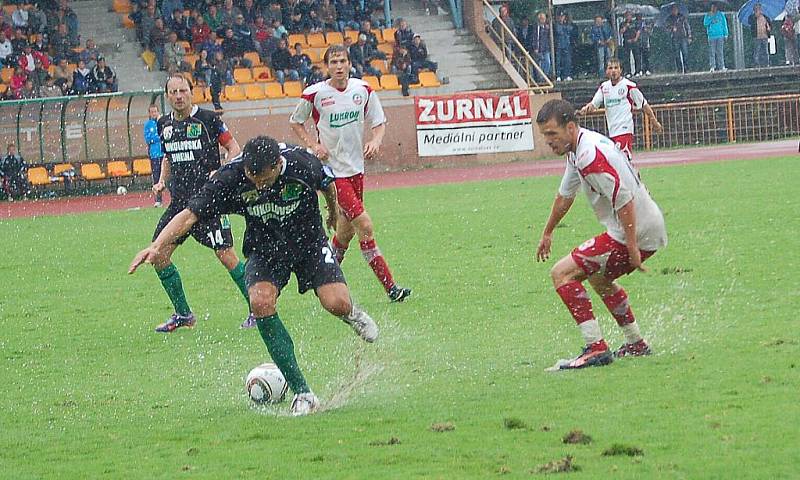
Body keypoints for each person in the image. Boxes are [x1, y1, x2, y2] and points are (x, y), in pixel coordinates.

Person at [129, 136, 380, 416]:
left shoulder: (302, 163)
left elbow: (328, 184)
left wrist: (332, 213)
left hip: (308, 242)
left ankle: (352, 314)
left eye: (265, 179)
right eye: (253, 178)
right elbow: (189, 215)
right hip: (265, 248)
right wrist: (156, 245)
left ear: (278, 165)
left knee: (336, 303)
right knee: (260, 303)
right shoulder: (231, 178)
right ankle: (303, 393)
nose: (259, 185)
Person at [535, 99, 668, 370]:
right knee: (598, 277)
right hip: (644, 225)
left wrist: (631, 247)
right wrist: (547, 232)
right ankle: (635, 343)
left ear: (570, 127)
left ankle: (595, 348)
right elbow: (564, 195)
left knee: (561, 274)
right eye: (544, 135)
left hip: (635, 231)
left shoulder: (588, 157)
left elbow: (625, 200)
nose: (548, 141)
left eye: (551, 134)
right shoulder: (581, 147)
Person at [290, 45, 412, 302]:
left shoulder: (363, 90)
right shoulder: (315, 94)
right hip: (333, 173)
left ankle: (322, 280)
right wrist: (313, 145)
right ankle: (391, 288)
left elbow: (379, 123)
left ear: (349, 64)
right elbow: (295, 122)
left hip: (357, 171)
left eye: (342, 61)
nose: (338, 66)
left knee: (344, 233)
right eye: (333, 62)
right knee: (365, 225)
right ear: (327, 67)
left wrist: (376, 141)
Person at [148, 74, 253, 332]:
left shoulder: (208, 120)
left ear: (191, 92)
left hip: (209, 202)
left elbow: (234, 148)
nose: (178, 96)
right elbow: (168, 158)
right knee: (158, 255)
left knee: (226, 255)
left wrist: (223, 171)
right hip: (179, 206)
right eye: (173, 92)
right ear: (167, 96)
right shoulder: (163, 125)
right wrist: (161, 181)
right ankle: (183, 315)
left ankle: (257, 309)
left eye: (183, 90)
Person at [579, 58, 663, 161]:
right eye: (610, 68)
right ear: (606, 71)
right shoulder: (604, 87)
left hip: (624, 128)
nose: (613, 71)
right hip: (612, 130)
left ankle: (631, 176)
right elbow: (593, 104)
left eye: (616, 68)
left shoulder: (628, 86)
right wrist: (585, 109)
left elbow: (644, 104)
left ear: (620, 70)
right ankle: (633, 176)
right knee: (619, 163)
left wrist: (654, 121)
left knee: (622, 160)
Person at [144, 104, 165, 207]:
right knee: (156, 177)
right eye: (152, 112)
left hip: (164, 154)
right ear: (149, 113)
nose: (153, 114)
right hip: (154, 155)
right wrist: (157, 137)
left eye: (155, 112)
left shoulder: (162, 122)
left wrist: (156, 137)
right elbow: (148, 139)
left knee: (169, 176)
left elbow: (164, 135)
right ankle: (158, 200)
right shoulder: (148, 125)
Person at [665, 4, 692, 73]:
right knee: (676, 55)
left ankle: (687, 69)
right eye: (673, 9)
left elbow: (687, 26)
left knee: (685, 53)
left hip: (683, 37)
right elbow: (666, 29)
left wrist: (689, 36)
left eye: (676, 9)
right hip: (674, 38)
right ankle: (679, 69)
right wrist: (672, 29)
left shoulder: (682, 17)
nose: (674, 10)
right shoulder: (669, 19)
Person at [704, 2, 729, 71]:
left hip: (720, 35)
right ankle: (712, 66)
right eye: (712, 7)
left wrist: (726, 34)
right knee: (712, 52)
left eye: (714, 7)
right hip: (712, 36)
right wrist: (711, 17)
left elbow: (724, 24)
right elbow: (705, 24)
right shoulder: (708, 15)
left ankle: (722, 66)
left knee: (720, 52)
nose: (713, 8)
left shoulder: (721, 15)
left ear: (716, 7)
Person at [619, 11, 641, 77]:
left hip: (634, 41)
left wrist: (636, 38)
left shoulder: (635, 23)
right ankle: (628, 72)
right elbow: (621, 32)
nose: (628, 17)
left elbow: (638, 31)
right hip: (627, 41)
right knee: (626, 57)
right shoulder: (622, 24)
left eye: (630, 15)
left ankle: (637, 71)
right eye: (627, 15)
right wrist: (626, 26)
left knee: (636, 56)